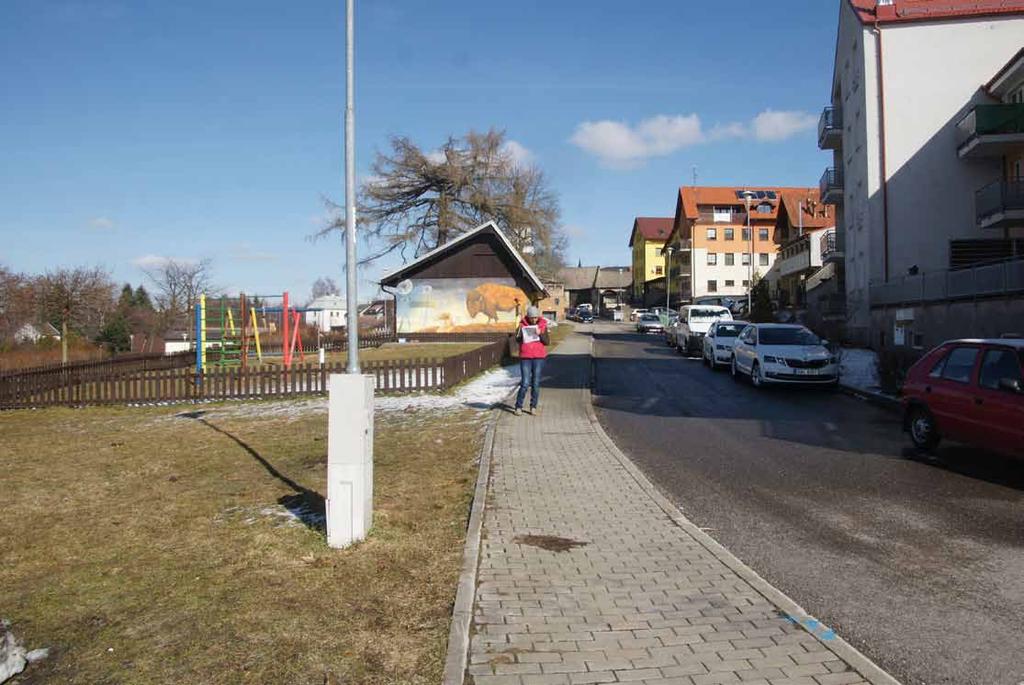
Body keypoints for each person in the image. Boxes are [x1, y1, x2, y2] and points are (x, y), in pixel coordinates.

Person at [514, 306, 550, 416]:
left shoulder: (543, 325)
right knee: (525, 383)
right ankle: (518, 406)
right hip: (525, 357)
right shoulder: (522, 324)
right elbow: (517, 339)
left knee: (536, 383)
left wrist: (541, 334)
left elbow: (547, 342)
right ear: (528, 317)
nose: (533, 320)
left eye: (535, 317)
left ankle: (533, 407)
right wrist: (519, 333)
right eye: (531, 318)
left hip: (539, 357)